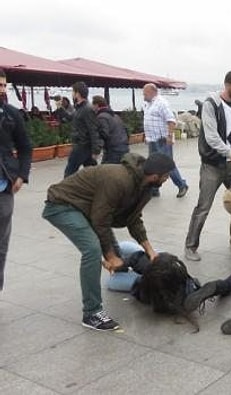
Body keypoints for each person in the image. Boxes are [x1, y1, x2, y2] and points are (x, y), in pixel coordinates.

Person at [42, 152, 175, 331]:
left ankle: (118, 269)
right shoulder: (118, 179)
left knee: (113, 257)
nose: (167, 180)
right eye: (166, 176)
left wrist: (150, 251)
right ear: (155, 176)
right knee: (92, 250)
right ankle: (92, 313)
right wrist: (110, 256)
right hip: (63, 205)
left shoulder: (145, 188)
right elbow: (100, 220)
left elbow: (134, 219)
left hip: (87, 209)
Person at [184, 70, 231, 262]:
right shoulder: (210, 104)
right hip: (212, 165)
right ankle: (190, 246)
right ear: (227, 85)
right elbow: (212, 137)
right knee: (203, 207)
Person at [0, 69, 32, 292]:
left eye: (3, 85)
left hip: (4, 186)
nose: (1, 90)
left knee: (1, 244)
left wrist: (21, 175)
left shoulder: (11, 114)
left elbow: (26, 148)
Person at [142, 83, 188, 198]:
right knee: (153, 165)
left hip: (162, 140)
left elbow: (171, 120)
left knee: (167, 165)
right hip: (152, 140)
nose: (143, 96)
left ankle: (182, 185)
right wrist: (146, 136)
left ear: (152, 92)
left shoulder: (161, 103)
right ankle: (154, 189)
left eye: (145, 93)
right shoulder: (148, 104)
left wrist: (169, 136)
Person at [64, 81, 102, 178]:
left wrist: (96, 150)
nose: (72, 94)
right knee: (92, 174)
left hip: (82, 146)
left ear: (77, 93)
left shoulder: (87, 109)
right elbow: (69, 118)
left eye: (73, 91)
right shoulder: (79, 108)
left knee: (69, 174)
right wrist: (60, 108)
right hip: (81, 145)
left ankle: (66, 192)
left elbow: (93, 130)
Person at [92, 95, 129, 164]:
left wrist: (96, 151)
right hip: (124, 147)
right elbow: (126, 130)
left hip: (113, 150)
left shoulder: (101, 117)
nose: (92, 108)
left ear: (96, 105)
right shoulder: (116, 116)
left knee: (106, 172)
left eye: (92, 105)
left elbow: (103, 134)